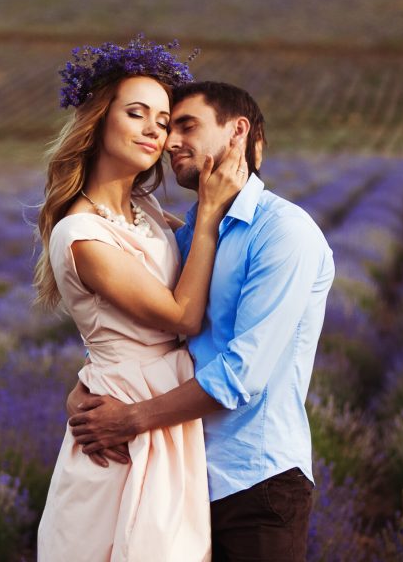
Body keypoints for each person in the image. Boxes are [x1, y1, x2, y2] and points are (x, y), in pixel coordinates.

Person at [68, 81, 336, 562]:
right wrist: (89, 378)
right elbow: (144, 330)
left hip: (256, 482)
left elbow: (242, 374)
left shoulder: (284, 232)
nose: (170, 140)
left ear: (237, 133)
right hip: (180, 475)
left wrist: (128, 420)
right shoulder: (192, 232)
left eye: (186, 125)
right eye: (170, 127)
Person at [35, 39, 249, 561]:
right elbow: (182, 314)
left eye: (165, 119)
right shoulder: (81, 234)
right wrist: (208, 214)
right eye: (137, 114)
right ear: (98, 122)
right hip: (122, 418)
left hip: (159, 408)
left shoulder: (146, 208)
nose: (156, 129)